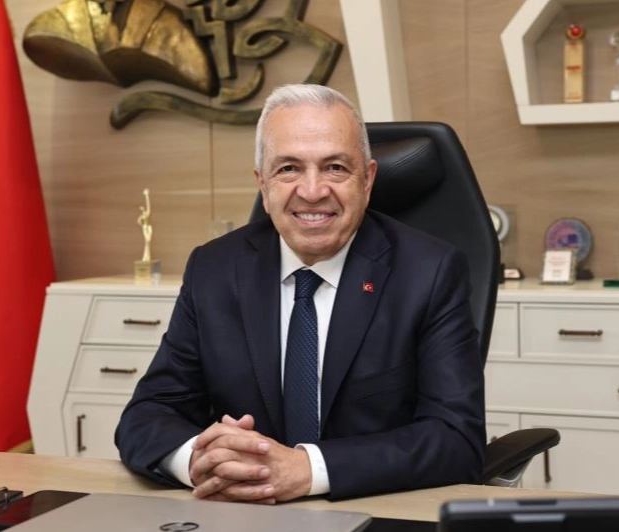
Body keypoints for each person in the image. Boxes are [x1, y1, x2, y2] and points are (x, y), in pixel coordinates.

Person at [115, 84, 486, 503]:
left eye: (335, 168)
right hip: (238, 515)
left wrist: (308, 469)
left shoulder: (429, 272)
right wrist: (200, 461)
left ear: (368, 180)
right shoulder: (214, 269)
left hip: (373, 511)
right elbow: (148, 414)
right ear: (263, 184)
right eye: (289, 168)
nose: (312, 191)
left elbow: (456, 439)